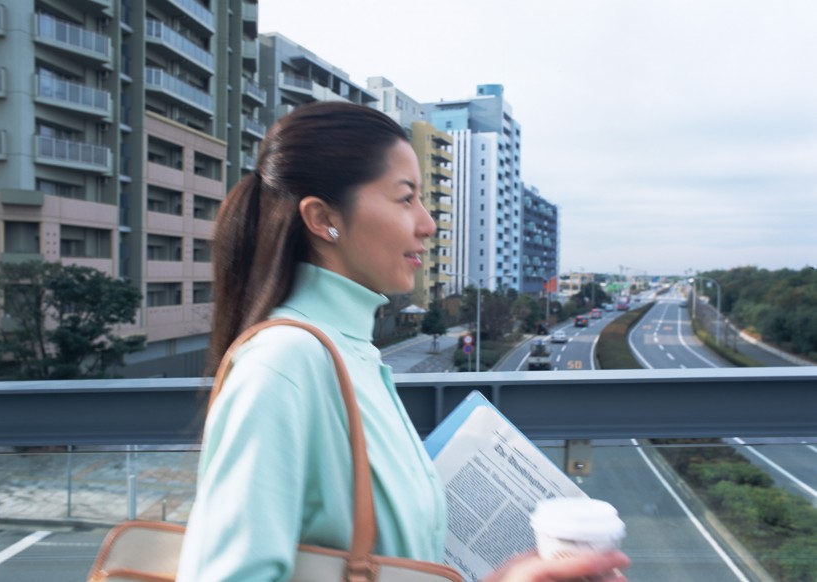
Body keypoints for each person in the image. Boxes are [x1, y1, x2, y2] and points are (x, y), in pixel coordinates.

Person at [177, 101, 630, 581]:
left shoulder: (351, 352)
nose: (427, 224)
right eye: (405, 198)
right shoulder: (283, 363)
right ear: (322, 217)